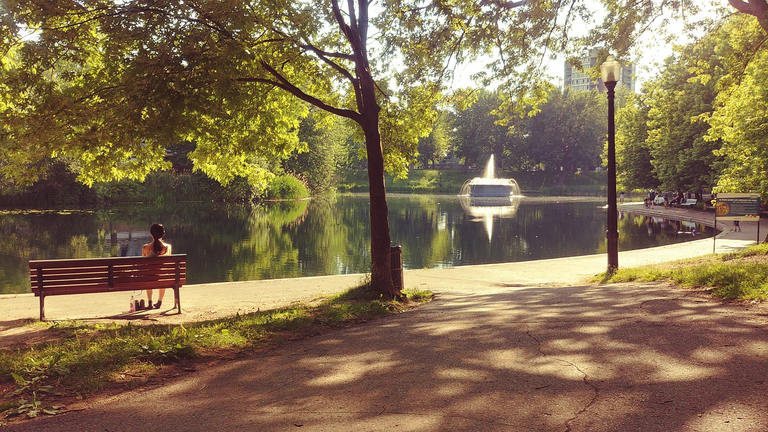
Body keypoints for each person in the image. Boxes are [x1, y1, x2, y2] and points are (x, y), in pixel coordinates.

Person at [142, 223, 172, 310]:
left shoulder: (146, 247)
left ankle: (150, 302)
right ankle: (159, 302)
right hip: (163, 278)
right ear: (163, 233)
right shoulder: (168, 247)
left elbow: (143, 265)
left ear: (151, 234)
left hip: (150, 278)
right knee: (162, 276)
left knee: (148, 275)